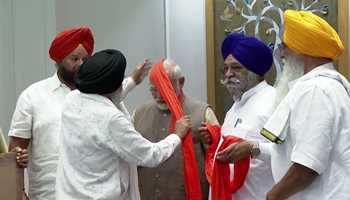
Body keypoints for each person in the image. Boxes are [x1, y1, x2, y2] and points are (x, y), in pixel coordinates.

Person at [8, 26, 149, 200]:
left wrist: (134, 79)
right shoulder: (33, 96)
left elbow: (117, 94)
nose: (81, 64)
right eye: (74, 59)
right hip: (47, 195)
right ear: (59, 60)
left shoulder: (98, 95)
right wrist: (18, 189)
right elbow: (14, 151)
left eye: (85, 59)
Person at [55, 49, 191, 200]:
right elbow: (151, 155)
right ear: (113, 86)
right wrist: (176, 135)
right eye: (121, 80)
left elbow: (108, 96)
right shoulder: (111, 119)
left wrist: (133, 80)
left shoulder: (71, 99)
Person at [261, 10, 350, 200]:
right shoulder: (330, 84)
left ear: (303, 49)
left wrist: (272, 197)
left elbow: (307, 167)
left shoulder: (316, 89)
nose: (282, 54)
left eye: (285, 46)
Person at [199, 33, 276, 199]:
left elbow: (288, 154)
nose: (228, 74)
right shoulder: (234, 107)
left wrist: (252, 148)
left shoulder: (274, 103)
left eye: (236, 67)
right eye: (226, 68)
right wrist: (215, 140)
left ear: (255, 70)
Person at [133, 59, 219, 200]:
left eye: (165, 89)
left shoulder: (203, 113)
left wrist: (211, 143)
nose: (159, 96)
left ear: (181, 82)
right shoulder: (139, 114)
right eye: (154, 90)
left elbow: (217, 161)